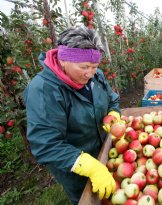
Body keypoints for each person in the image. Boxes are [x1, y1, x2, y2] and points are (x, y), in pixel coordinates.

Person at [23, 27, 120, 204]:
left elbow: (112, 99)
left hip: (105, 154)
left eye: (95, 66)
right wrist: (89, 166)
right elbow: (46, 143)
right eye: (84, 67)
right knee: (85, 198)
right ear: (63, 60)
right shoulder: (44, 90)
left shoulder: (96, 77)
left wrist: (113, 112)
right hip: (75, 169)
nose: (90, 73)